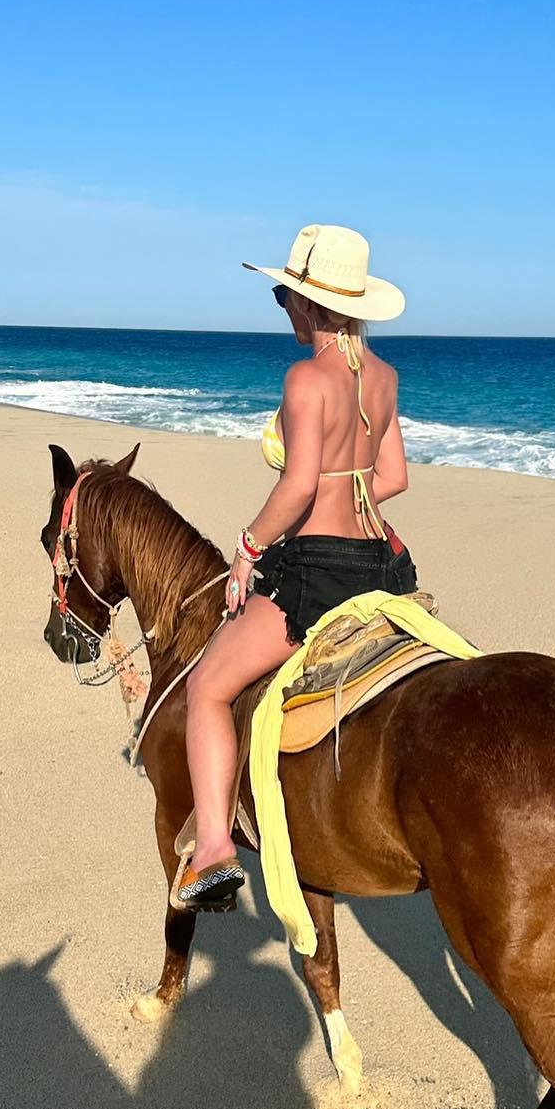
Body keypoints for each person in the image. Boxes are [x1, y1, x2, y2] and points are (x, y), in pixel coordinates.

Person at [178, 225, 418, 910]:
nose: (282, 305)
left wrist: (248, 548)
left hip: (319, 570)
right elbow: (393, 475)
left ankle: (217, 850)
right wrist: (352, 488)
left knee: (208, 689)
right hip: (382, 564)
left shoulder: (307, 377)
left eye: (284, 295)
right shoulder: (384, 377)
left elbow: (299, 487)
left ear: (311, 306)